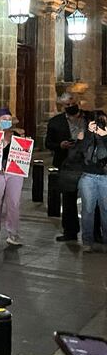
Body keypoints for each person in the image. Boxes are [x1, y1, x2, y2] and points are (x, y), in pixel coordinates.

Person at [46, 92, 85, 242]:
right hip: (66, 164)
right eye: (67, 105)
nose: (70, 106)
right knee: (69, 200)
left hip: (86, 164)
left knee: (92, 200)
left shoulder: (89, 119)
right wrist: (60, 145)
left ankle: (95, 233)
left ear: (78, 102)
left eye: (72, 103)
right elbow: (48, 143)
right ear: (62, 106)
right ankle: (70, 232)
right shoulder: (55, 122)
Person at [0, 109, 25, 246]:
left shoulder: (17, 134)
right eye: (4, 118)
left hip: (14, 171)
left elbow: (24, 152)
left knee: (13, 202)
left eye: (9, 118)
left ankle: (13, 233)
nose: (7, 121)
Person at [71, 112, 107, 252]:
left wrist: (104, 136)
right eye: (97, 122)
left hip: (105, 177)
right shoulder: (86, 134)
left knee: (106, 210)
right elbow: (79, 151)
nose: (99, 124)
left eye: (102, 121)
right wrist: (89, 135)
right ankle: (87, 242)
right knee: (87, 210)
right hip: (88, 176)